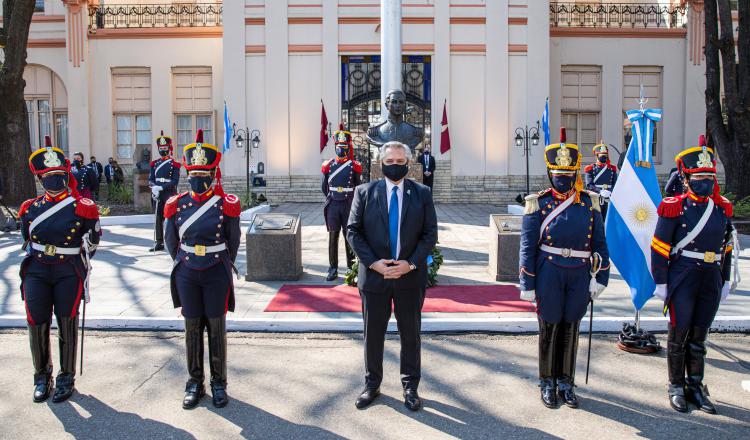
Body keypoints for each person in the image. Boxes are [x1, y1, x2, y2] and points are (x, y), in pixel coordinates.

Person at [519, 128, 610, 409]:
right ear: (550, 174)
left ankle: (566, 382)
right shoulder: (538, 203)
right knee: (549, 327)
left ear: (575, 175)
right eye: (557, 174)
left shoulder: (590, 203)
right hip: (549, 271)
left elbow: (600, 243)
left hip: (579, 272)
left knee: (571, 326)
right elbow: (527, 246)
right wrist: (528, 284)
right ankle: (547, 381)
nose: (562, 179)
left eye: (567, 175)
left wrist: (601, 277)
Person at [346, 141, 438, 411]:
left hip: (409, 277)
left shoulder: (421, 193)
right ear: (380, 162)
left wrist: (409, 264)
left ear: (408, 164)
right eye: (390, 161)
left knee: (411, 335)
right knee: (373, 334)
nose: (395, 166)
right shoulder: (364, 192)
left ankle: (410, 387)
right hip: (375, 278)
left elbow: (429, 234)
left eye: (400, 162)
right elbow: (353, 231)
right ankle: (372, 385)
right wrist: (374, 263)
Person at [651, 144, 735, 414]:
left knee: (700, 335)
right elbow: (660, 246)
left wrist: (724, 278)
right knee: (679, 334)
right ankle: (676, 385)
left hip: (709, 278)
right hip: (683, 276)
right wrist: (661, 282)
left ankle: (695, 386)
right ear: (686, 180)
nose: (705, 184)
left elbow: (727, 247)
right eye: (699, 179)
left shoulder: (721, 208)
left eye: (709, 179)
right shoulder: (674, 207)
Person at [18, 136, 101, 403]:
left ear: (66, 175)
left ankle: (66, 377)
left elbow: (93, 241)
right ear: (41, 179)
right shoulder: (30, 209)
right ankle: (42, 376)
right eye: (49, 175)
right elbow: (26, 238)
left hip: (67, 269)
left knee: (67, 320)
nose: (55, 180)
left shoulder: (82, 208)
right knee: (37, 320)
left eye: (59, 174)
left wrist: (85, 255)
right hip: (37, 270)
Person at [164, 129, 241, 409]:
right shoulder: (176, 204)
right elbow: (171, 240)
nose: (198, 180)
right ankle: (194, 381)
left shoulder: (225, 204)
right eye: (194, 175)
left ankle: (219, 383)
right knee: (192, 327)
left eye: (203, 176)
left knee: (216, 327)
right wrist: (185, 260)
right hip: (187, 271)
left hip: (215, 271)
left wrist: (220, 260)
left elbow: (233, 240)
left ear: (212, 175)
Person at [321, 124, 362, 281]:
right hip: (333, 204)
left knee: (348, 236)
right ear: (335, 146)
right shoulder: (328, 165)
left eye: (344, 146)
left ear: (348, 146)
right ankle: (333, 268)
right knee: (333, 237)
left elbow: (358, 187)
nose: (341, 148)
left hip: (348, 204)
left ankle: (351, 268)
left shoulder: (354, 166)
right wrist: (331, 197)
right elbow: (324, 187)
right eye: (339, 145)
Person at [148, 132, 181, 252]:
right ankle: (159, 242)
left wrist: (162, 187)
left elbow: (175, 181)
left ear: (169, 148)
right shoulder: (154, 164)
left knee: (172, 218)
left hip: (169, 193)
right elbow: (150, 179)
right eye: (161, 148)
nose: (163, 150)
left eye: (165, 148)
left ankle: (174, 241)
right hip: (157, 193)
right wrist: (154, 187)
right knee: (157, 218)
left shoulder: (174, 164)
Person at [583, 142, 618, 220]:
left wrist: (610, 191)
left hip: (609, 197)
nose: (604, 157)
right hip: (596, 198)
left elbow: (615, 184)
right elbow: (589, 185)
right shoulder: (590, 168)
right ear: (597, 155)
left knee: (609, 219)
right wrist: (600, 191)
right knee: (597, 219)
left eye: (605, 155)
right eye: (602, 155)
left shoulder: (612, 169)